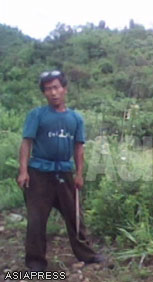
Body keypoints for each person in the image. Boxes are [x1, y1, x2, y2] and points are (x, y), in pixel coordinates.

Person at [16, 70, 104, 271]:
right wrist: (23, 171)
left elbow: (79, 148)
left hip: (65, 173)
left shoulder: (75, 118)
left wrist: (79, 174)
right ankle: (36, 262)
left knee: (75, 216)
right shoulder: (37, 115)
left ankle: (87, 255)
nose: (53, 93)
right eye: (48, 89)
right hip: (39, 173)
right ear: (44, 93)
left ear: (64, 89)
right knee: (37, 219)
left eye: (56, 87)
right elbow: (26, 143)